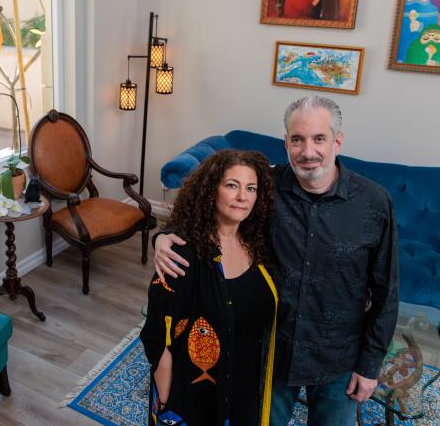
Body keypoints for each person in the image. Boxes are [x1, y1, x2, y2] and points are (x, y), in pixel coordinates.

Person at [154, 96, 399, 426]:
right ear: (286, 143)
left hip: (337, 358)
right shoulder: (265, 186)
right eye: (297, 139)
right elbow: (209, 208)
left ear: (338, 141)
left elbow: (387, 292)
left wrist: (370, 366)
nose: (307, 152)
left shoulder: (374, 203)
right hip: (270, 354)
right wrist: (165, 235)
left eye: (319, 139)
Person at [140, 150, 278, 425]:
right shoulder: (182, 254)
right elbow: (158, 332)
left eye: (251, 188)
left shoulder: (258, 244)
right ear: (210, 191)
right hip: (194, 395)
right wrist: (166, 394)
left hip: (244, 386)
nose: (242, 197)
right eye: (231, 185)